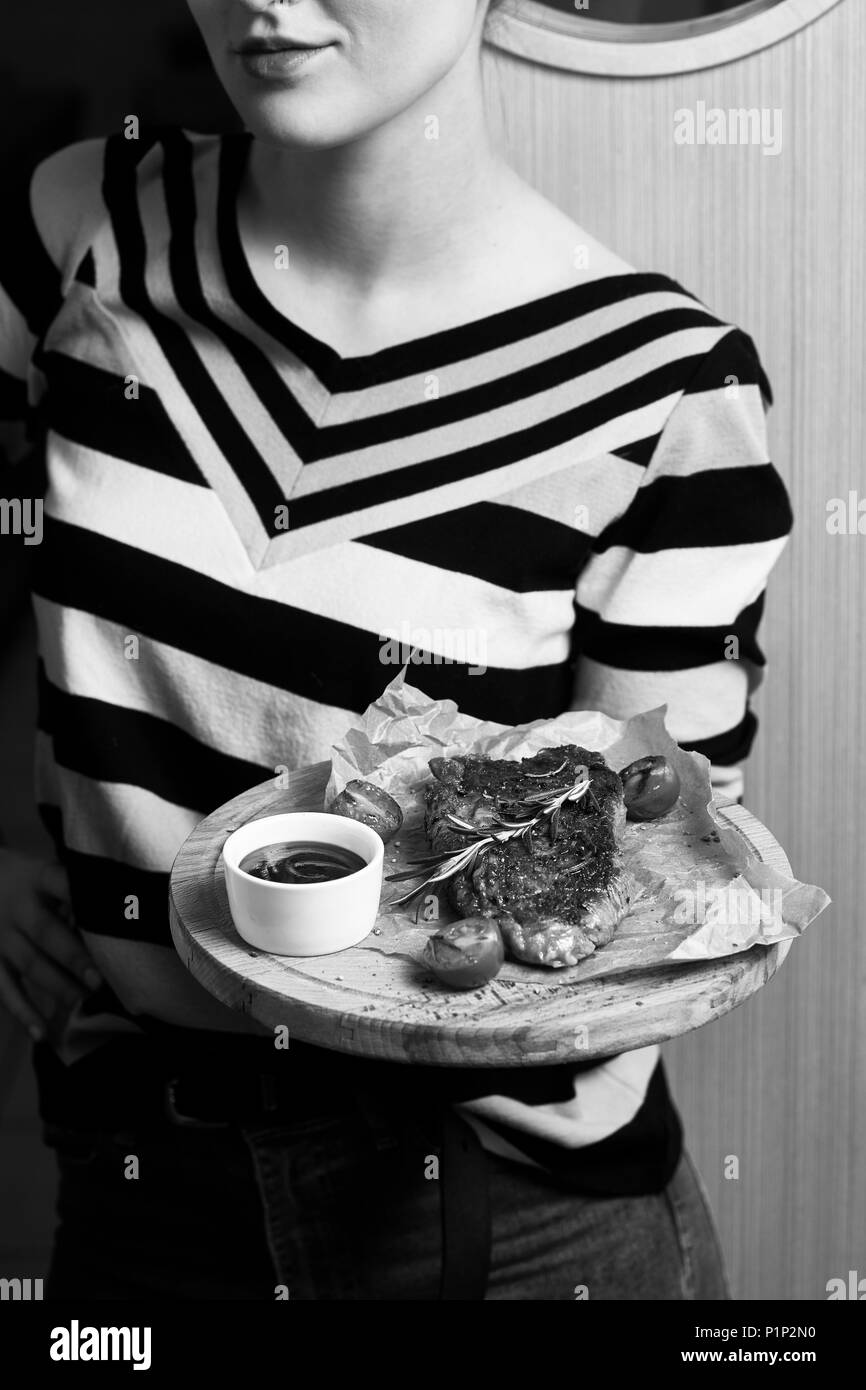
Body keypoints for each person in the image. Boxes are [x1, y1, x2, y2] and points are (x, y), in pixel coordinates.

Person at [0, 0, 792, 1300]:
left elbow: (661, 862)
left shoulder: (663, 388)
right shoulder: (80, 233)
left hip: (500, 1208)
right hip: (139, 1165)